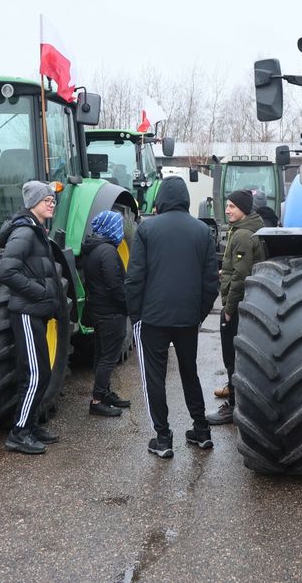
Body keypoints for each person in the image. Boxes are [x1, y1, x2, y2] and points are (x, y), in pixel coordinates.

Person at [125, 176, 219, 458]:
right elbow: (210, 282)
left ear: (161, 199)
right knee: (190, 372)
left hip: (153, 317)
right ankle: (201, 429)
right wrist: (198, 315)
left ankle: (163, 438)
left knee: (154, 377)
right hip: (188, 318)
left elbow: (135, 278)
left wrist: (135, 315)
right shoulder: (202, 230)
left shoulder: (147, 229)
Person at [0, 180, 66, 455]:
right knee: (36, 374)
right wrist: (41, 292)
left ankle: (32, 424)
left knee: (42, 372)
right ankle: (19, 432)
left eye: (52, 200)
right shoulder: (25, 233)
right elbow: (7, 272)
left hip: (36, 312)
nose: (51, 203)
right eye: (46, 200)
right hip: (26, 312)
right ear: (32, 203)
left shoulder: (37, 231)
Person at [207, 188, 267, 426]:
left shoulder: (242, 235)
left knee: (232, 358)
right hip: (250, 305)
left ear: (243, 209)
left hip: (239, 305)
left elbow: (241, 278)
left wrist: (229, 309)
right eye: (227, 205)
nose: (227, 210)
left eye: (232, 206)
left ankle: (233, 407)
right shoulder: (249, 228)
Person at [81, 210, 131, 417]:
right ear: (111, 227)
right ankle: (97, 400)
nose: (120, 230)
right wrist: (128, 306)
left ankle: (105, 393)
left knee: (101, 354)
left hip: (98, 309)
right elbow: (115, 285)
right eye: (118, 226)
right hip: (111, 312)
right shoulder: (108, 251)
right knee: (108, 358)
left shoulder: (93, 248)